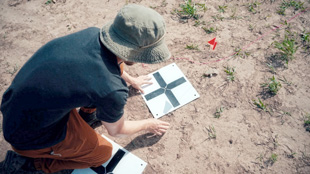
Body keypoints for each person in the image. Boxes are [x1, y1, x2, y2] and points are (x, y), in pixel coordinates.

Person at [0, 4, 171, 173]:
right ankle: (33, 166)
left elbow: (111, 63)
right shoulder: (112, 89)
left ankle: (88, 116)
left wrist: (131, 80)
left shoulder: (92, 34)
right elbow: (117, 131)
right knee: (102, 154)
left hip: (21, 106)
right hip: (29, 135)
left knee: (97, 92)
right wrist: (148, 124)